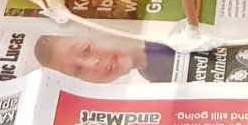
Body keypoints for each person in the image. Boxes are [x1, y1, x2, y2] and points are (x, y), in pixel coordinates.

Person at [32, 34, 177, 83]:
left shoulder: (159, 35)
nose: (92, 64)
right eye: (77, 70)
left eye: (86, 50)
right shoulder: (154, 77)